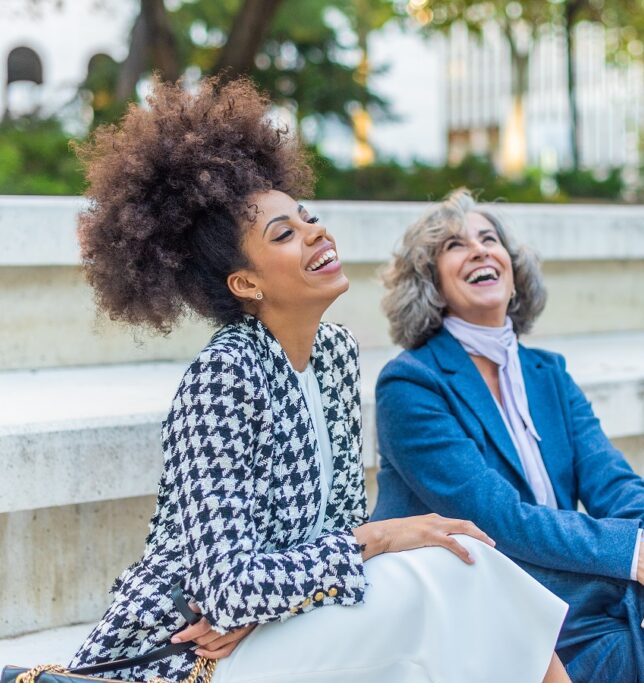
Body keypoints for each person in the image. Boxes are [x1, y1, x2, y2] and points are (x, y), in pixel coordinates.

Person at [67, 79, 570, 683]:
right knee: (450, 577)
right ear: (246, 284)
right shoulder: (224, 377)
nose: (315, 234)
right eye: (283, 235)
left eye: (307, 219)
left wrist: (285, 595)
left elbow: (329, 535)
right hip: (184, 653)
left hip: (270, 623)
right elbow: (230, 588)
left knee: (461, 571)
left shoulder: (333, 355)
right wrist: (381, 539)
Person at [371, 189, 644, 683]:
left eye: (489, 238)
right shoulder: (412, 383)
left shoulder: (547, 373)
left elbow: (614, 481)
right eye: (455, 246)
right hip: (474, 602)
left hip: (561, 609)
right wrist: (636, 558)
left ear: (513, 266)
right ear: (429, 282)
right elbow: (496, 516)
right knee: (636, 600)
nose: (479, 250)